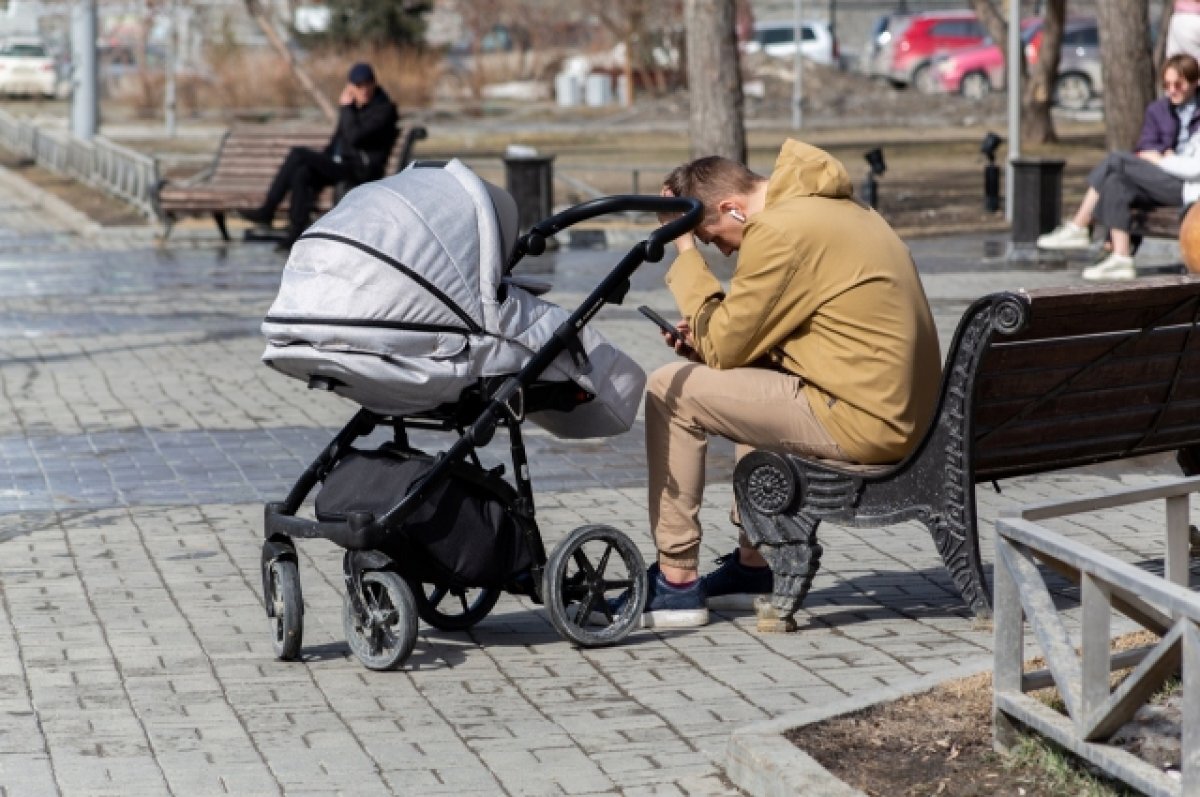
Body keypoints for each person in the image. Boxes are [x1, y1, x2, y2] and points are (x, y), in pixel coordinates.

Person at [628, 140, 942, 628]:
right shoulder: (841, 211)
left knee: (671, 389)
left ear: (733, 209)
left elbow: (727, 346)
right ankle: (754, 567)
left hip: (867, 421)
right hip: (898, 412)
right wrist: (714, 346)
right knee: (737, 378)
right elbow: (759, 344)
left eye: (716, 238)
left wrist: (684, 246)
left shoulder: (778, 230)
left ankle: (676, 582)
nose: (725, 252)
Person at [1036, 54, 1200, 280]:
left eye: (1179, 84)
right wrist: (1161, 158)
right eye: (1167, 85)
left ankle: (1080, 225)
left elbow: (1194, 168)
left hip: (1186, 187)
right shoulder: (1159, 109)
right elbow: (1145, 147)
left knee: (1117, 160)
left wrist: (1163, 160)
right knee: (1116, 182)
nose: (1172, 90)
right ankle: (1121, 258)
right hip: (1159, 177)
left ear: (1194, 82)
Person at [239, 62, 399, 249]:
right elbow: (337, 141)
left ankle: (268, 209)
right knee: (303, 172)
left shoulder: (384, 110)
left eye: (367, 84)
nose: (364, 89)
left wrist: (346, 108)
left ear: (374, 84)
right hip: (342, 165)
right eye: (358, 85)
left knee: (298, 153)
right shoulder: (354, 110)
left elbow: (355, 137)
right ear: (350, 87)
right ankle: (295, 233)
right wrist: (321, 161)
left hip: (362, 169)